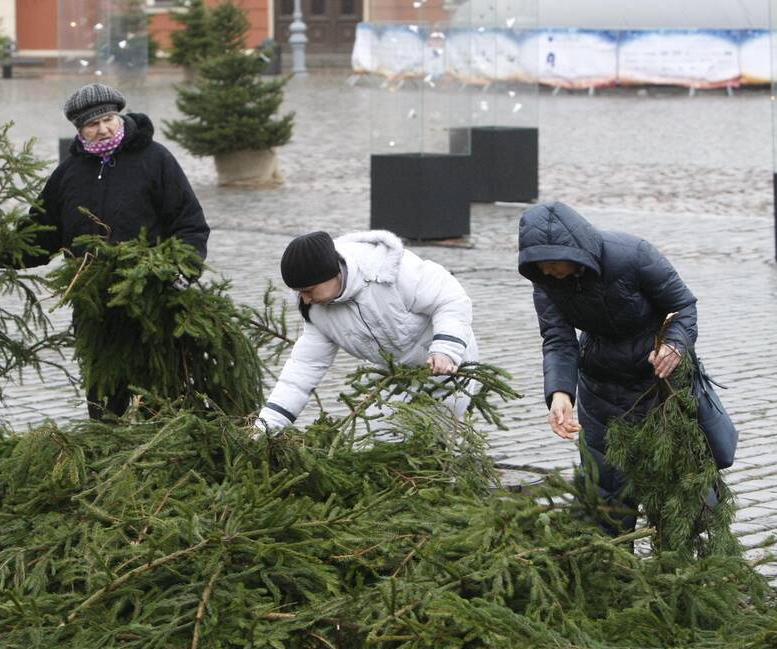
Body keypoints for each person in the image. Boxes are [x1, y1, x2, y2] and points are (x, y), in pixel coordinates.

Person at [0, 82, 210, 419]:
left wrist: (181, 270)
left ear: (119, 117)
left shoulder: (155, 159)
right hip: (93, 308)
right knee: (103, 401)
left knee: (160, 401)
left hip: (153, 302)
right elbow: (41, 235)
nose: (102, 129)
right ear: (79, 129)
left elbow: (190, 223)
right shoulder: (68, 174)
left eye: (108, 119)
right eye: (92, 123)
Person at [517, 201, 697, 534]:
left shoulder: (633, 254)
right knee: (605, 491)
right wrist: (559, 394)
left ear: (576, 253)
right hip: (600, 388)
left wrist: (675, 344)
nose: (549, 272)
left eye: (554, 264)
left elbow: (683, 307)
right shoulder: (546, 282)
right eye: (541, 266)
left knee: (670, 489)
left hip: (659, 384)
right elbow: (558, 339)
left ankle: (674, 570)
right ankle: (613, 569)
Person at [256, 230, 479, 431]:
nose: (304, 299)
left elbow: (450, 299)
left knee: (434, 440)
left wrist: (444, 350)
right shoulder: (315, 310)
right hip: (395, 377)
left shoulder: (390, 271)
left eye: (308, 290)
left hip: (447, 369)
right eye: (298, 291)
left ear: (332, 274)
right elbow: (304, 368)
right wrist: (266, 425)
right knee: (384, 438)